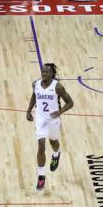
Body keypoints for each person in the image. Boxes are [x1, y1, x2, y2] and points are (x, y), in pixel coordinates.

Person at [26, 63, 74, 191]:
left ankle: (56, 154)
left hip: (53, 118)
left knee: (53, 141)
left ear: (52, 74)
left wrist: (59, 112)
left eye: (47, 72)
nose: (44, 74)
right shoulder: (35, 84)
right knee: (41, 145)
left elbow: (70, 103)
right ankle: (41, 176)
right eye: (43, 71)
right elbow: (34, 96)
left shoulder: (57, 87)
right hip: (40, 118)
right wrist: (29, 110)